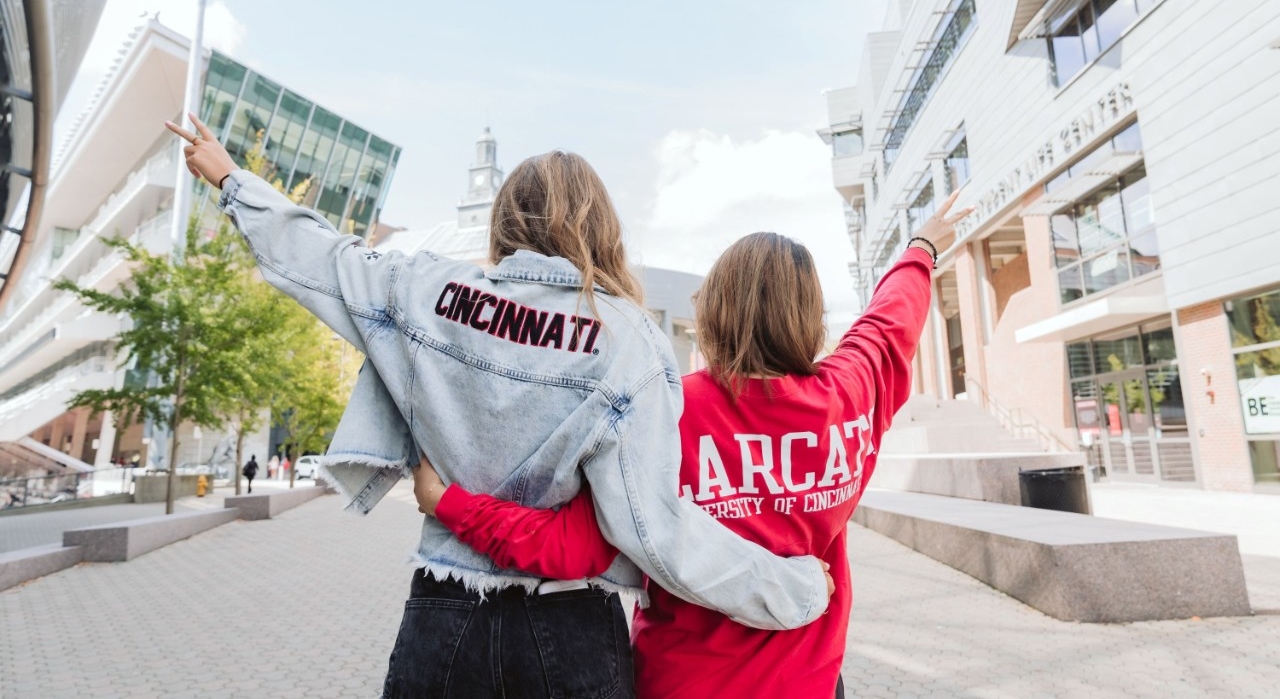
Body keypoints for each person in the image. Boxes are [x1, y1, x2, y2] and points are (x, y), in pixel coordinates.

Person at [168, 114, 833, 698]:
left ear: (505, 219)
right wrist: (790, 587)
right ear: (600, 228)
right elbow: (655, 532)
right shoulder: (628, 340)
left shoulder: (424, 287)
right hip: (570, 630)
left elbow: (323, 261)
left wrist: (233, 181)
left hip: (443, 610)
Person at [412, 193, 970, 698]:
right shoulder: (850, 394)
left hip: (682, 684)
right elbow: (889, 323)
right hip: (811, 682)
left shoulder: (667, 413)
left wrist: (452, 504)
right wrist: (921, 250)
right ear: (808, 315)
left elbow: (578, 547)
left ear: (715, 310)